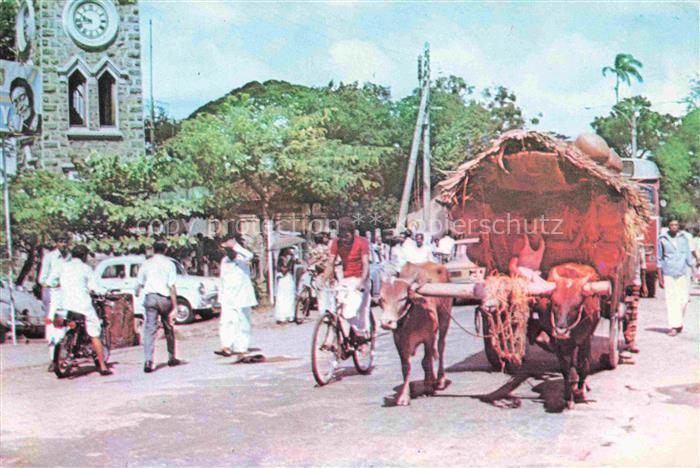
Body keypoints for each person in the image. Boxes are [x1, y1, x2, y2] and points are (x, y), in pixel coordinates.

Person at [59, 245, 112, 376]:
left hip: (65, 304)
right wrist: (104, 292)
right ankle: (103, 366)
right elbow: (94, 286)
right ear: (84, 256)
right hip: (82, 305)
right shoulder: (85, 268)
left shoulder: (64, 267)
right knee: (95, 333)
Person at [136, 241, 181, 372]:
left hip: (150, 298)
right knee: (168, 327)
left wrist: (137, 293)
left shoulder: (146, 263)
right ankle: (172, 357)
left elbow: (139, 283)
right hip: (164, 298)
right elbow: (171, 286)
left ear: (154, 249)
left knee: (150, 329)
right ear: (165, 250)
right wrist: (175, 306)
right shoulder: (169, 264)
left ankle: (149, 360)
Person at [324, 218, 371, 341]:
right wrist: (324, 280)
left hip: (361, 279)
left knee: (357, 308)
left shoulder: (362, 242)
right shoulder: (336, 243)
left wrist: (362, 281)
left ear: (353, 233)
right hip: (346, 280)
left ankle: (361, 335)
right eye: (341, 236)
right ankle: (336, 339)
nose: (344, 239)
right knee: (339, 308)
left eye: (347, 236)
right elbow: (330, 263)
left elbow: (365, 263)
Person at [214, 245, 257, 357]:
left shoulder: (242, 258)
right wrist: (221, 297)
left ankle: (242, 348)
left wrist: (236, 245)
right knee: (226, 322)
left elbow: (250, 255)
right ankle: (226, 346)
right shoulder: (225, 261)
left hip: (243, 296)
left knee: (243, 322)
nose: (228, 253)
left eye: (230, 250)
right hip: (228, 297)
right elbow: (222, 279)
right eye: (226, 250)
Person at [38, 236, 71, 371]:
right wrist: (52, 286)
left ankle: (64, 356)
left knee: (66, 325)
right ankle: (52, 358)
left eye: (65, 241)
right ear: (56, 243)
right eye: (61, 241)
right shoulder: (50, 257)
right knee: (52, 326)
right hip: (52, 293)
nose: (63, 244)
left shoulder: (70, 257)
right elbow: (42, 279)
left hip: (66, 294)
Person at [658, 219, 694, 336]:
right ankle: (674, 326)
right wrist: (660, 276)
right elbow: (659, 258)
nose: (673, 226)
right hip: (668, 272)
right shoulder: (662, 239)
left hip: (682, 272)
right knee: (672, 300)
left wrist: (694, 270)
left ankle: (679, 322)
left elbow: (688, 255)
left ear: (679, 226)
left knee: (683, 300)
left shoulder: (683, 239)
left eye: (675, 225)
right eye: (671, 225)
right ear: (668, 226)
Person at [508, 220, 549, 289]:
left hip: (534, 278)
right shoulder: (521, 241)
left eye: (538, 229)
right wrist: (525, 277)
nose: (534, 231)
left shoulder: (543, 243)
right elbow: (512, 267)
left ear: (544, 227)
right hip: (520, 280)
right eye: (531, 229)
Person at [274, 247, 296, 323]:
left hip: (289, 278)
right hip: (284, 279)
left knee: (290, 296)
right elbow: (284, 270)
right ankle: (282, 315)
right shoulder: (281, 259)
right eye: (289, 249)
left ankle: (290, 315)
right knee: (283, 297)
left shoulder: (288, 258)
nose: (290, 251)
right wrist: (291, 262)